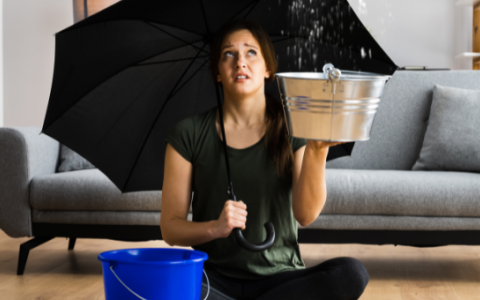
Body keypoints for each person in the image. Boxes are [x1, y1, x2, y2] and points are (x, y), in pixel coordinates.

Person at [161, 20, 369, 300]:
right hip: (211, 281)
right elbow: (170, 229)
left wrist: (318, 150)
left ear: (268, 68)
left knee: (351, 273)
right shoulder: (188, 132)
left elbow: (305, 215)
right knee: (159, 281)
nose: (239, 62)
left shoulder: (294, 126)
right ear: (218, 73)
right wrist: (215, 227)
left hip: (281, 280)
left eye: (250, 52)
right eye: (228, 54)